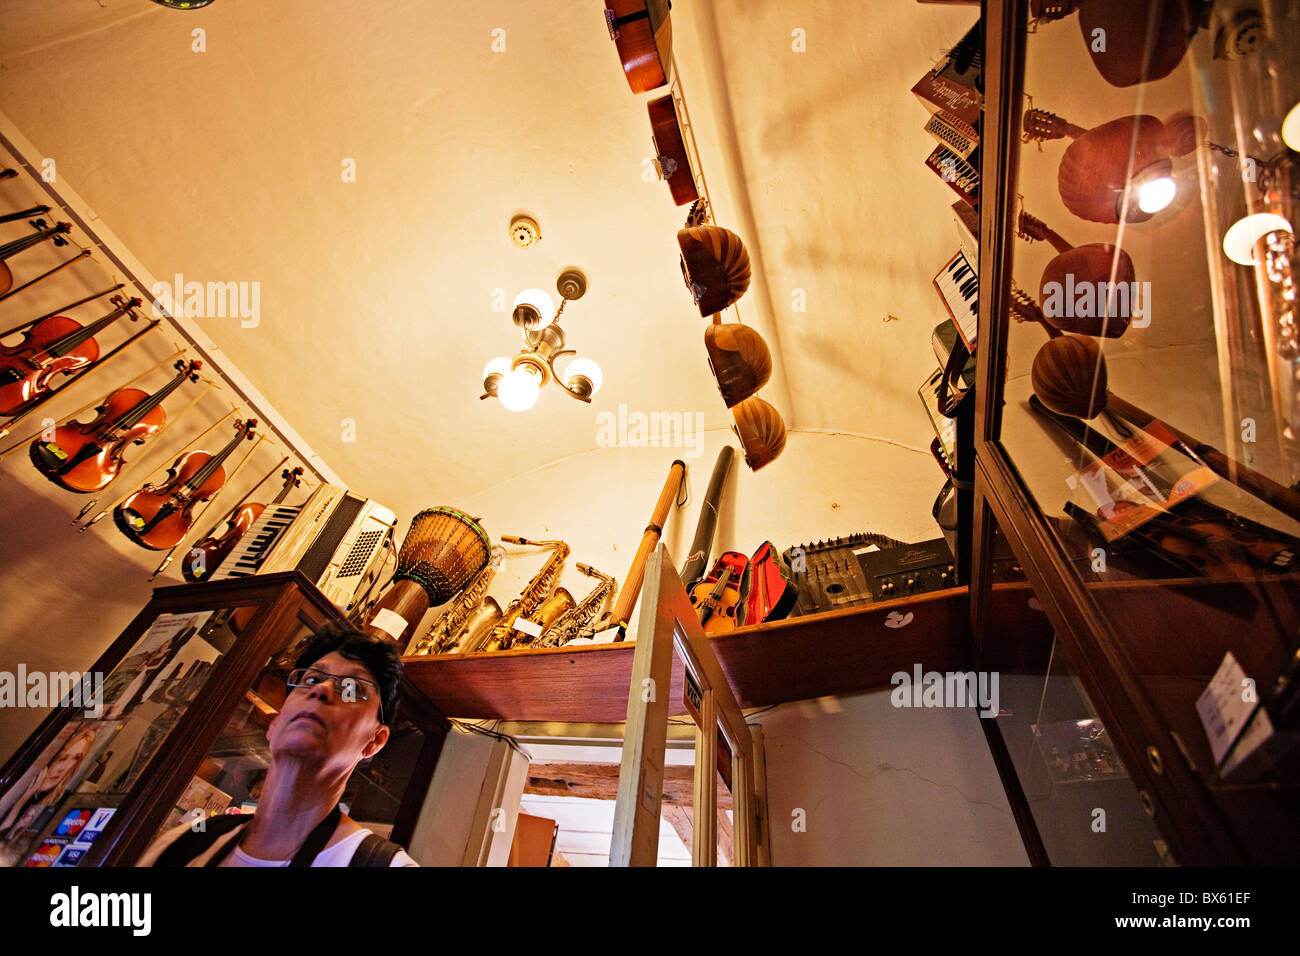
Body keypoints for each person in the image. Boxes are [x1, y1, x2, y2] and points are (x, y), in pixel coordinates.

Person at [140, 622, 417, 867]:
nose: (322, 689)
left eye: (352, 688)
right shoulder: (181, 846)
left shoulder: (380, 864)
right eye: (311, 679)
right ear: (274, 726)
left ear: (374, 742)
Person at [0, 727, 97, 865]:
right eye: (63, 758)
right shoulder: (20, 790)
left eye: (75, 759)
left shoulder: (55, 801)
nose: (64, 767)